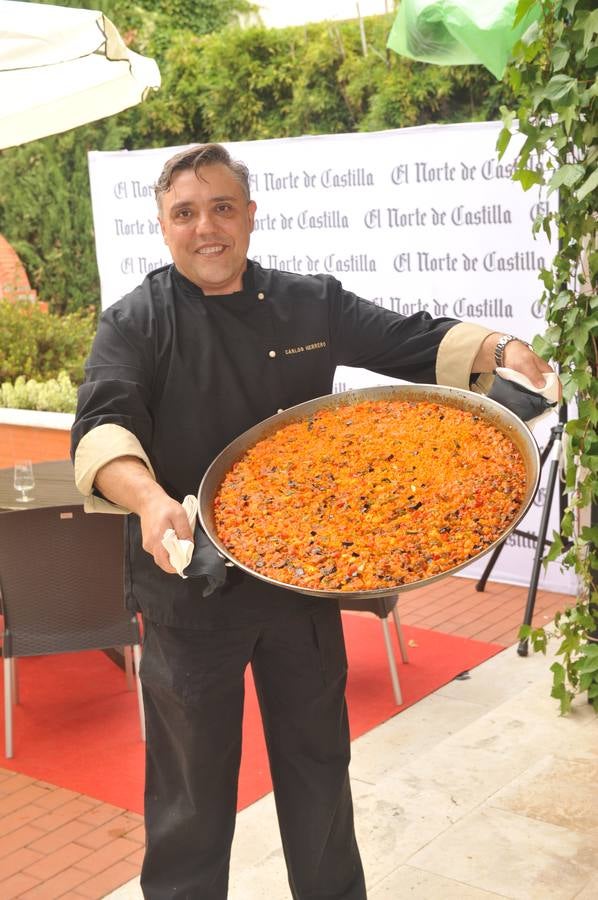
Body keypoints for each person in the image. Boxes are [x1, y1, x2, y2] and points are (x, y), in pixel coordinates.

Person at [71, 143, 555, 900]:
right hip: (185, 584)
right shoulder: (134, 322)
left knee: (319, 769)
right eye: (186, 213)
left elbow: (407, 338)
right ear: (163, 228)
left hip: (297, 579)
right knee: (191, 795)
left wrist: (500, 347)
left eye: (223, 207)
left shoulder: (308, 301)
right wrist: (147, 500)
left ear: (250, 215)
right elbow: (103, 429)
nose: (207, 228)